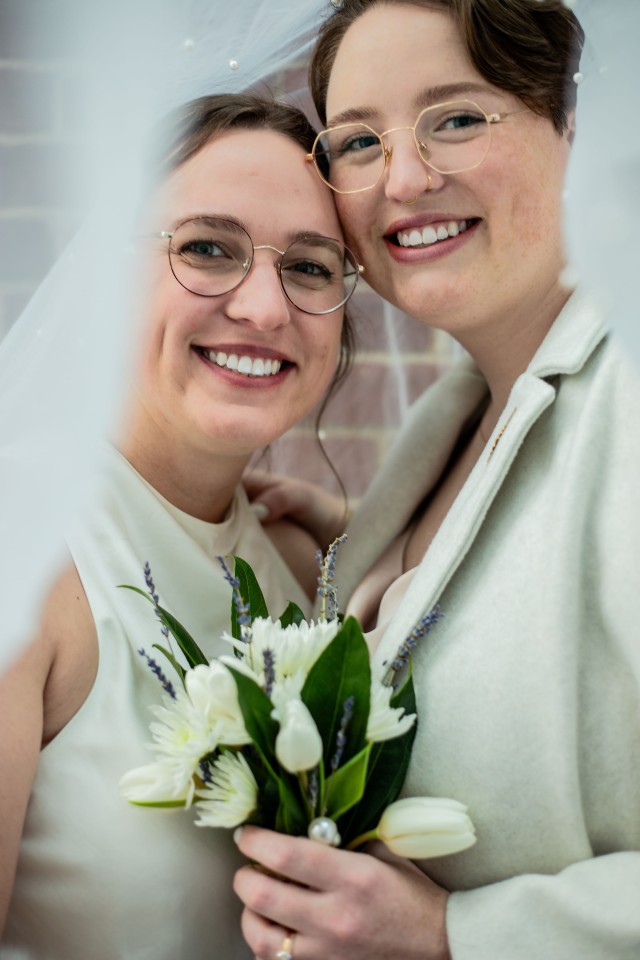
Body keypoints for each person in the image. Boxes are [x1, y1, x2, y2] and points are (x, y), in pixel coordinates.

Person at [233, 2, 640, 959]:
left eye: (456, 118)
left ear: (572, 124)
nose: (405, 179)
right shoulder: (451, 419)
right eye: (360, 141)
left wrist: (465, 934)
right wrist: (360, 547)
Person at [0, 92, 361, 958]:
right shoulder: (27, 563)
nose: (266, 309)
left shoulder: (300, 560)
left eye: (310, 267)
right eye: (208, 248)